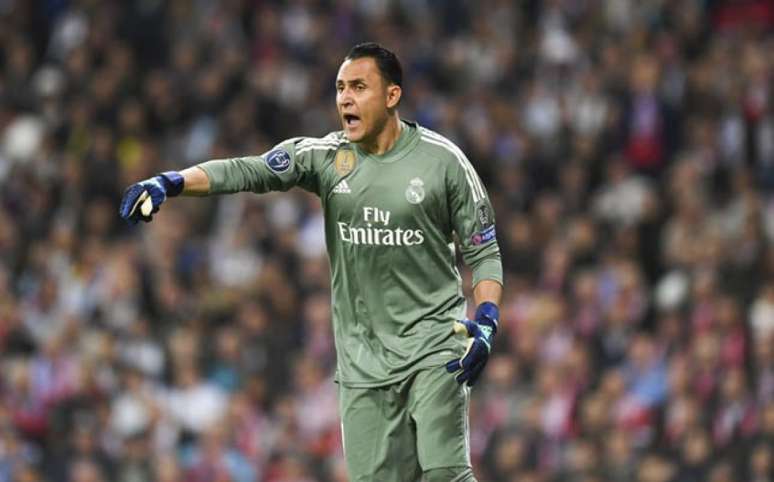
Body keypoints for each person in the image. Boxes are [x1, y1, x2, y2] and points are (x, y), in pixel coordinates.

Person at [119, 42, 503, 482]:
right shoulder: (325, 158)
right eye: (340, 88)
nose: (345, 98)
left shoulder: (443, 162)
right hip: (363, 363)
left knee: (445, 476)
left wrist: (487, 320)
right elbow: (249, 171)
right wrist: (170, 181)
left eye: (359, 87)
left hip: (435, 347)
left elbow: (483, 251)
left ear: (392, 95)